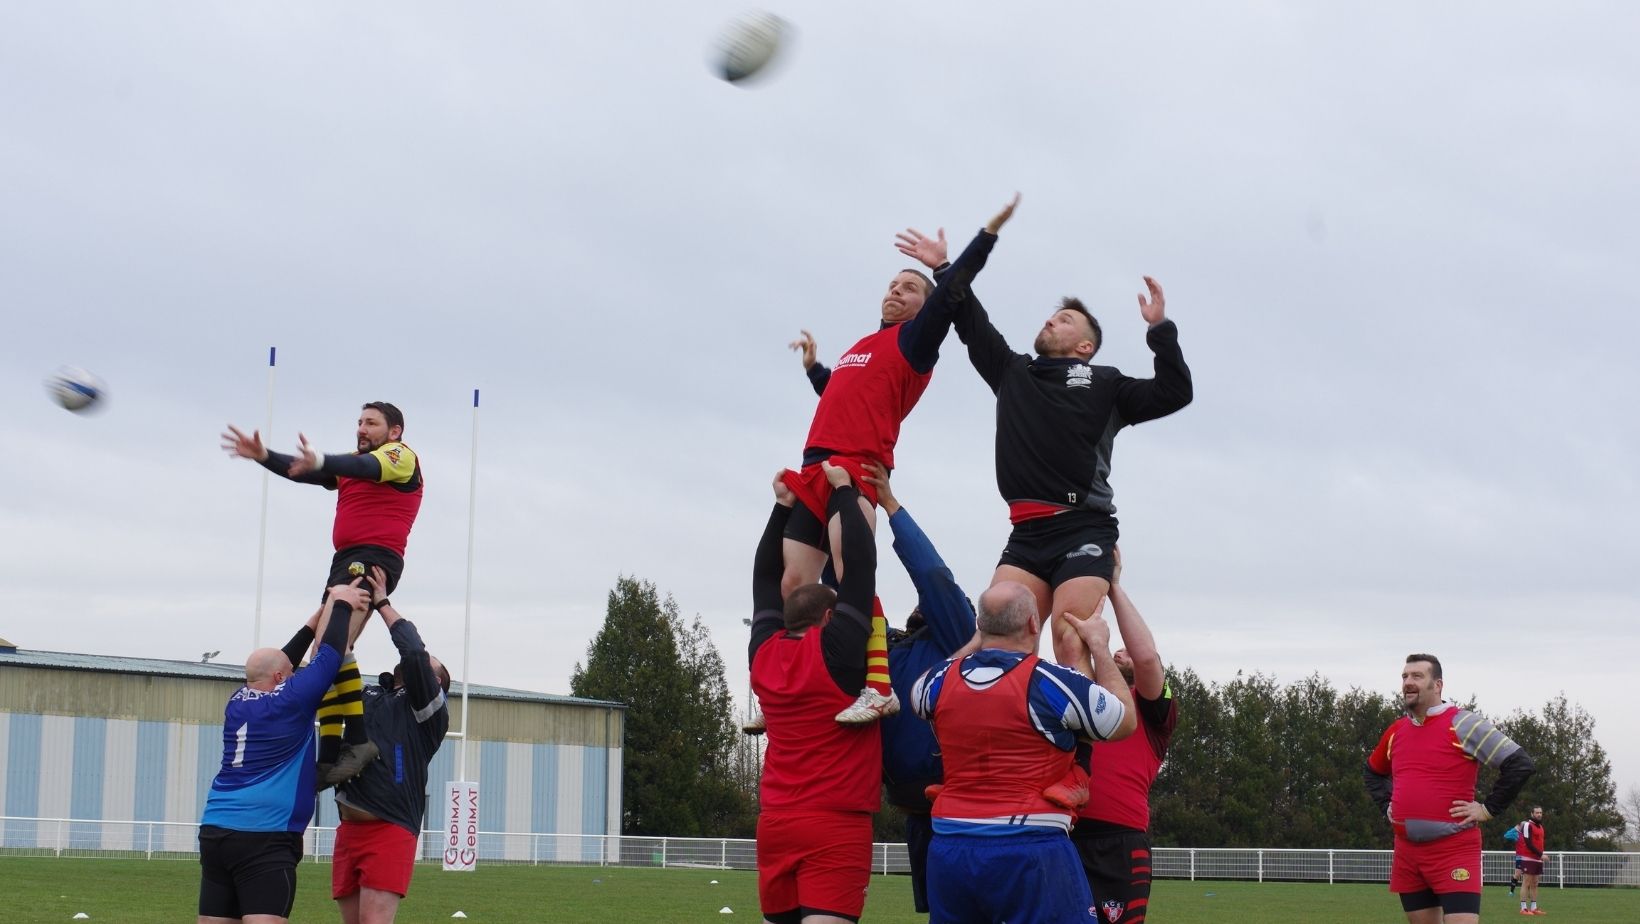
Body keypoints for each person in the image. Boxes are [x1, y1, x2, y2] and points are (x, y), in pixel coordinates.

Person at [778, 197, 1020, 725]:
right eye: (892, 284)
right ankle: (803, 680)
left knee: (852, 581)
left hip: (856, 470)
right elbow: (839, 394)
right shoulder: (864, 345)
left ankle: (878, 686)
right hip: (813, 468)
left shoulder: (915, 343)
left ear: (922, 308)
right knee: (794, 589)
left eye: (909, 287)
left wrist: (981, 240)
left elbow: (952, 294)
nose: (895, 290)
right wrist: (815, 366)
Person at [952, 274, 1192, 668]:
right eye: (1052, 316)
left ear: (1086, 346)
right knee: (999, 640)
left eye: (1064, 320)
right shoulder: (1013, 372)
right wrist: (946, 267)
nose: (1051, 321)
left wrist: (1159, 329)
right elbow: (971, 321)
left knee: (1070, 640)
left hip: (1083, 528)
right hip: (1026, 535)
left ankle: (1081, 731)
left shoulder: (1105, 382)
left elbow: (1175, 392)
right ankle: (1016, 726)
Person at [222, 401, 425, 784]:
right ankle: (330, 753)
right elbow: (306, 471)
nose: (362, 428)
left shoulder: (399, 456)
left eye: (371, 423)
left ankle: (357, 741)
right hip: (346, 560)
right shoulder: (350, 461)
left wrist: (323, 458)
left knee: (330, 652)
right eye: (359, 422)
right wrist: (264, 455)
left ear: (394, 431)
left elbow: (362, 466)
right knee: (325, 654)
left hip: (372, 558)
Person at [911, 581, 1136, 924]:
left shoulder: (937, 682)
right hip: (1030, 847)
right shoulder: (1049, 681)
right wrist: (1100, 647)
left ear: (980, 626)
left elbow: (922, 685)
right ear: (1034, 624)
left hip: (950, 847)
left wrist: (977, 640)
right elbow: (1124, 719)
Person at [748, 463, 881, 924]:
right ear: (830, 618)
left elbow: (765, 579)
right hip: (836, 822)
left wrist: (782, 509)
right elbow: (860, 565)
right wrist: (844, 492)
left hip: (776, 820)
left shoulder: (763, 654)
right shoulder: (838, 653)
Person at [197, 582, 371, 924]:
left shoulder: (237, 701)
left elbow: (282, 661)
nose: (295, 675)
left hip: (216, 830)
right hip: (265, 835)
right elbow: (331, 654)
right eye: (290, 674)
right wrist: (342, 606)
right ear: (280, 677)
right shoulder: (290, 700)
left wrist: (316, 617)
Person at [858, 461, 976, 918]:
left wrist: (891, 506)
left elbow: (933, 576)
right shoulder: (885, 647)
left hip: (957, 813)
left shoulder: (957, 639)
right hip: (915, 810)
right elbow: (849, 592)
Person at [1363, 654, 1536, 924]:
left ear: (1438, 685)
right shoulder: (1396, 731)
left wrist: (1488, 809)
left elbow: (1520, 763)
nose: (1408, 682)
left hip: (1454, 850)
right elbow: (1373, 772)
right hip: (1408, 854)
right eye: (1405, 677)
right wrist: (1387, 805)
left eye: (1417, 676)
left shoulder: (1464, 723)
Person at [329, 566, 452, 924]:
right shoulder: (371, 695)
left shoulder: (428, 711)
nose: (419, 664)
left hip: (390, 827)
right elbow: (335, 654)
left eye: (432, 667)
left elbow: (413, 652)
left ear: (437, 684)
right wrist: (343, 604)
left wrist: (382, 602)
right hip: (349, 828)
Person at [1066, 551, 1177, 924]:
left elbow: (1147, 659)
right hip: (1064, 833)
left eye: (1125, 650)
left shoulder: (1152, 715)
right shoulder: (1082, 700)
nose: (1122, 650)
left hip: (1122, 841)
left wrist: (1112, 586)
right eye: (1117, 648)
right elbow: (1071, 650)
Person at [1514, 806, 1547, 915]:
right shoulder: (1528, 825)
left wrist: (1540, 855)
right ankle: (1523, 908)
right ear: (1532, 813)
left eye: (1540, 813)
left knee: (1535, 883)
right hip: (1529, 857)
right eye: (1537, 812)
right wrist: (1541, 854)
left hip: (1538, 859)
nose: (1539, 814)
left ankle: (1534, 907)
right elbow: (1528, 843)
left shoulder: (1541, 827)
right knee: (1526, 882)